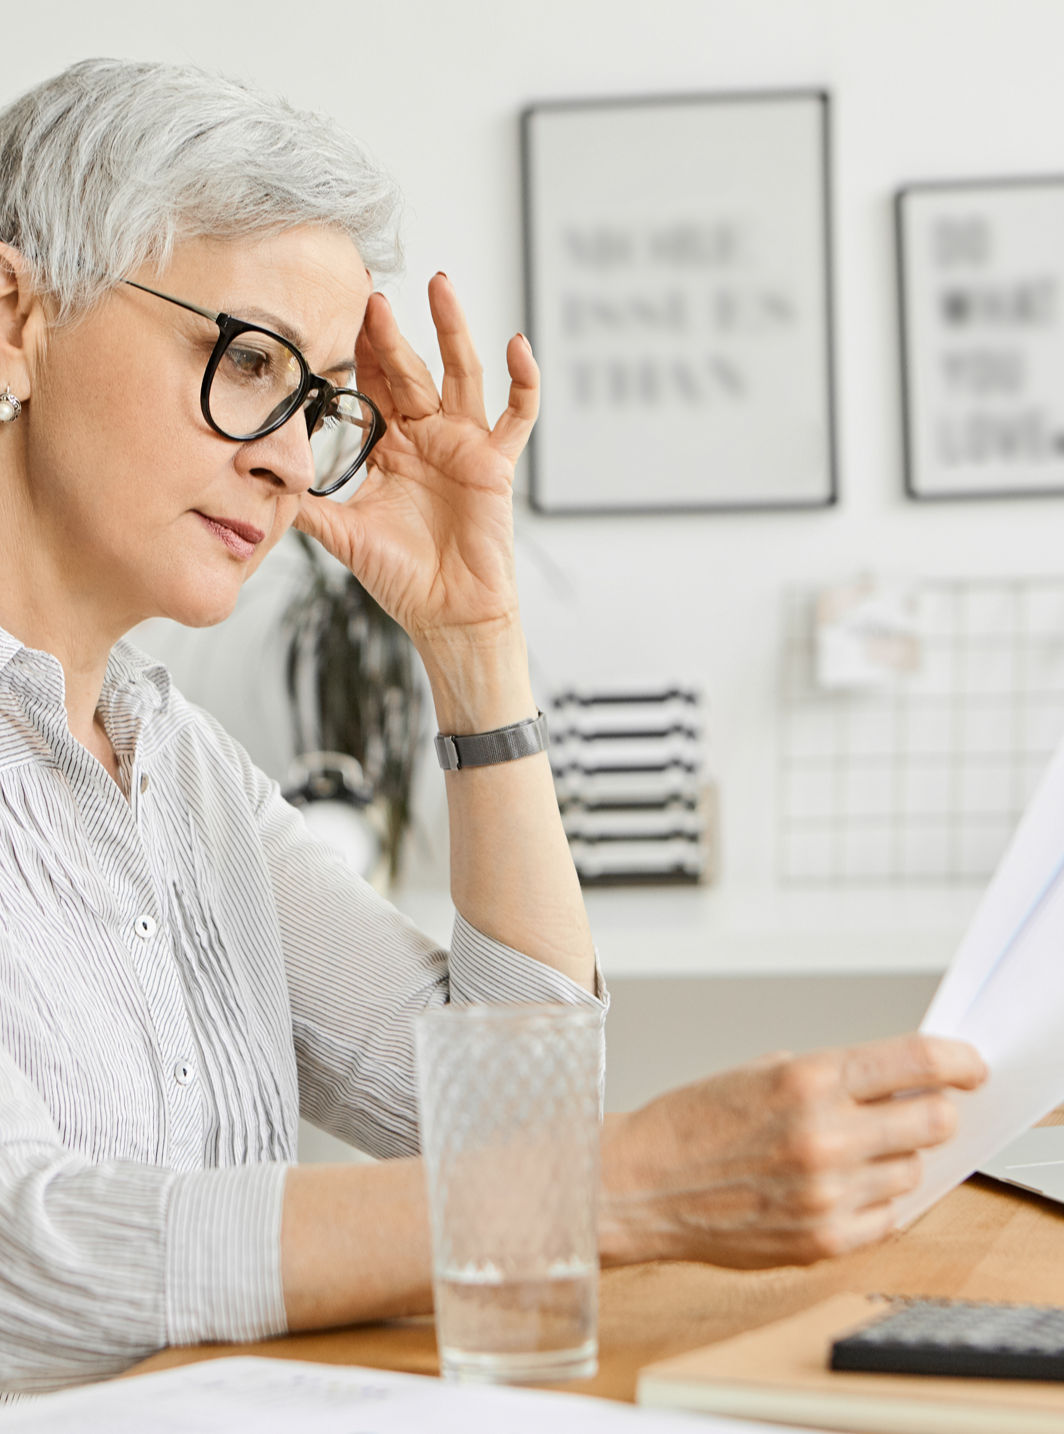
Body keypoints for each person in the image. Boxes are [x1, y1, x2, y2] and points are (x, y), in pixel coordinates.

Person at [0, 58, 986, 1398]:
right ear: (18, 317)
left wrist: (474, 645)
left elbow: (519, 1122)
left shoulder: (185, 776)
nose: (290, 455)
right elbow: (29, 1259)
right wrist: (627, 1186)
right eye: (245, 360)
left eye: (317, 403)